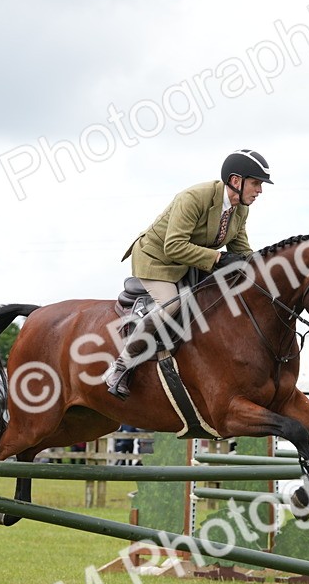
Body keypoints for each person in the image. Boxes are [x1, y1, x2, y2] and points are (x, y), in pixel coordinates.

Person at [104, 149, 272, 399]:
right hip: (157, 260)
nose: (259, 191)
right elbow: (173, 245)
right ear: (236, 181)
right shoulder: (194, 198)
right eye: (256, 183)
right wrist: (217, 257)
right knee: (171, 305)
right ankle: (119, 367)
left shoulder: (240, 210)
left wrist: (265, 270)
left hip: (189, 264)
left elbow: (242, 251)